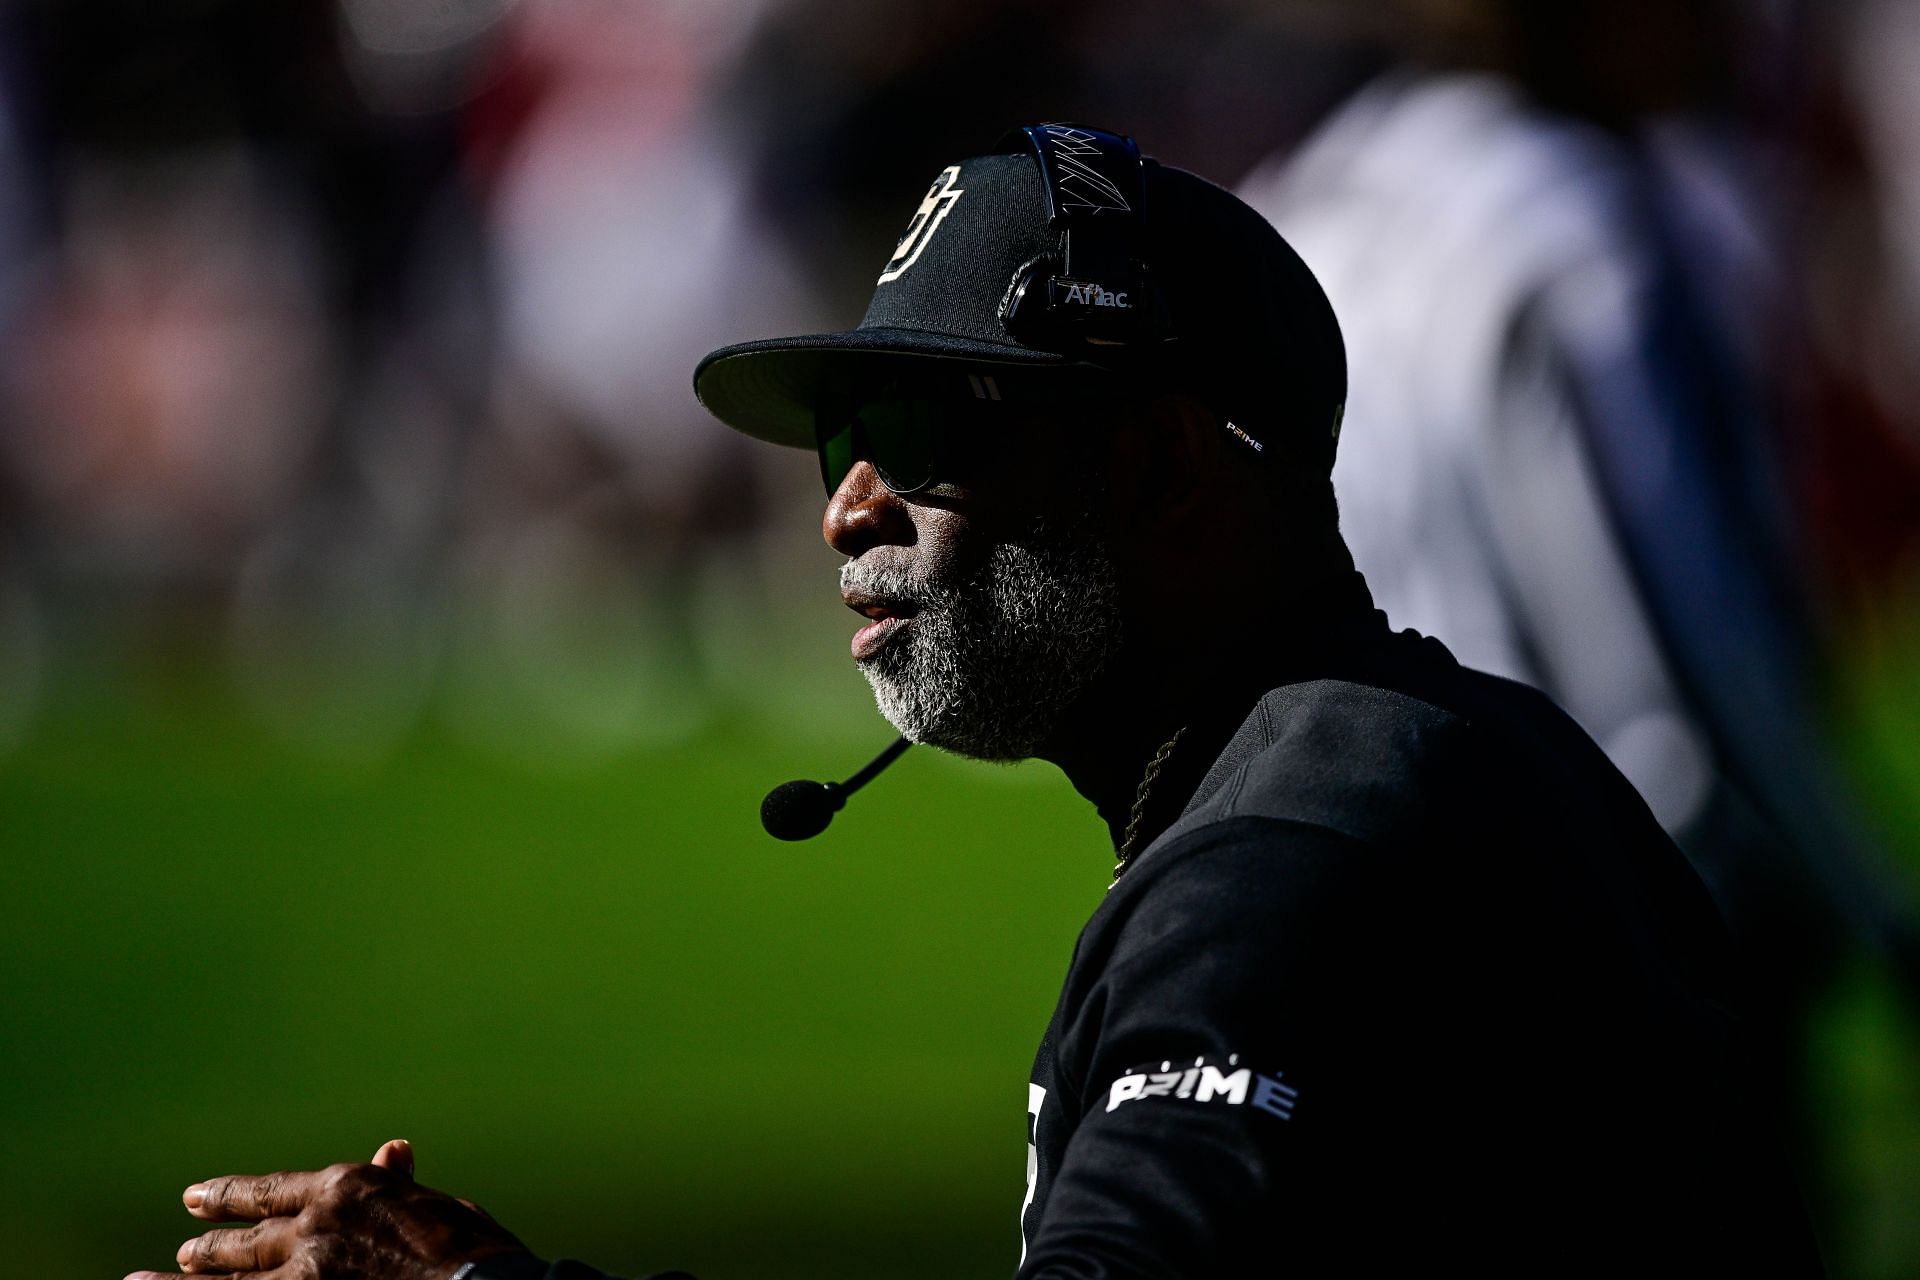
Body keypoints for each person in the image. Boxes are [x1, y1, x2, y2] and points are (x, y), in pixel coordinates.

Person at [125, 124, 1824, 1280]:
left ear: (1162, 463)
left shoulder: (1289, 862)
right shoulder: (1415, 763)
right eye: (837, 440)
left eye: (932, 432)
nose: (846, 510)